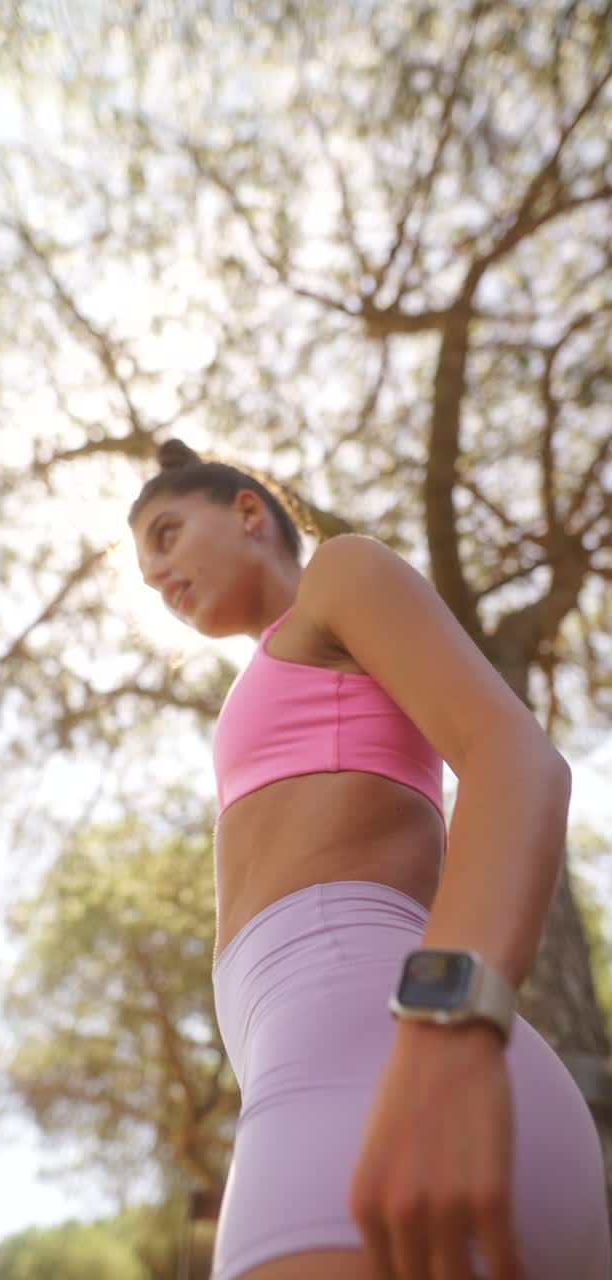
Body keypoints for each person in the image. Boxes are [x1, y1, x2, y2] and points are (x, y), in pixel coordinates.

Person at [129, 439, 611, 1280]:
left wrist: (447, 1036)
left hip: (396, 1071)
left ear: (249, 511)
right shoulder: (276, 668)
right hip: (340, 1072)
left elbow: (517, 762)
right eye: (145, 574)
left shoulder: (340, 575)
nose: (160, 580)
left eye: (166, 535)